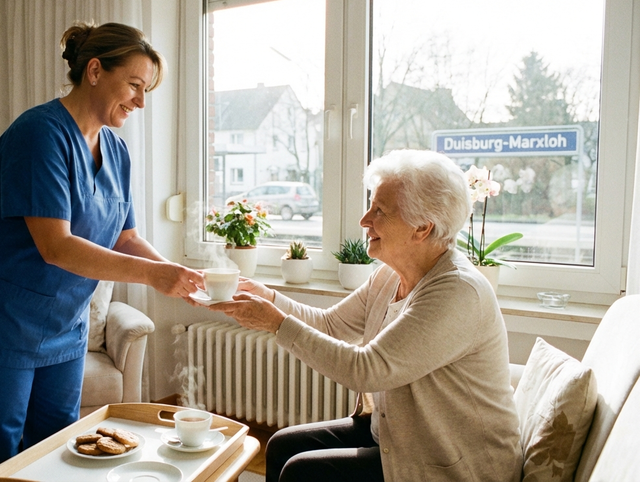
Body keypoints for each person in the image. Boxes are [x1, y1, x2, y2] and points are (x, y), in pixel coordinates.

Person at [0, 21, 204, 482]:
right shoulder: (38, 134)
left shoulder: (117, 151)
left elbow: (125, 237)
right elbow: (56, 246)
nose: (140, 102)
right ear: (96, 71)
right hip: (2, 319)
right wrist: (151, 276)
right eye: (134, 85)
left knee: (59, 447)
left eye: (146, 91)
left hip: (65, 325)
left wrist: (176, 272)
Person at [204, 149, 522, 482]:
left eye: (379, 210)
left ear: (422, 228)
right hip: (398, 437)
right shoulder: (389, 276)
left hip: (457, 463)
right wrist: (267, 297)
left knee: (303, 473)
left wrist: (274, 322)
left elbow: (367, 369)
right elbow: (330, 325)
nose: (365, 220)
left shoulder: (457, 291)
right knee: (281, 446)